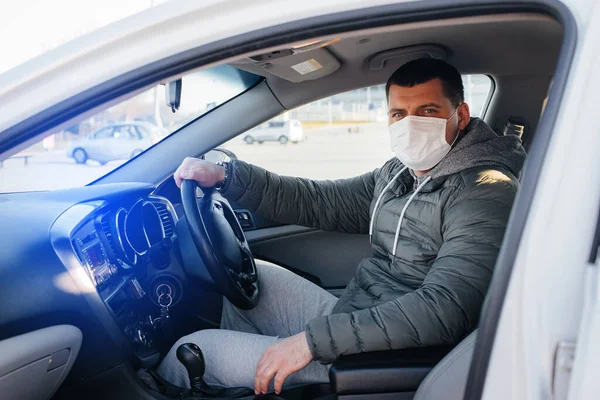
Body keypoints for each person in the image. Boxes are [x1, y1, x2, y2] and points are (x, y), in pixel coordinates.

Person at [157, 58, 526, 395]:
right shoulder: (399, 174)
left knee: (190, 352)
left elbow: (443, 310)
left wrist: (310, 343)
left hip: (384, 355)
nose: (410, 124)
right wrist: (227, 177)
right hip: (355, 319)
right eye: (399, 113)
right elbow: (319, 200)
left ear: (460, 115)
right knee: (251, 281)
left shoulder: (485, 191)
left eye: (427, 111)